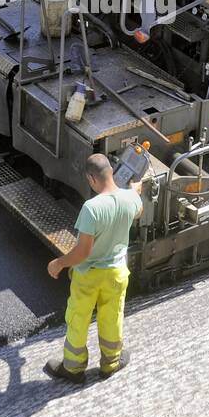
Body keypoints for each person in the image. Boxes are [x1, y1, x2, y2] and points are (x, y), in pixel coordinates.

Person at [44, 153, 144, 384]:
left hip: (88, 276)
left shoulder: (91, 208)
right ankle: (111, 363)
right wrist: (134, 191)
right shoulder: (130, 198)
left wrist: (58, 263)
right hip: (117, 273)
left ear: (91, 178)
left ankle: (73, 368)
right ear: (111, 172)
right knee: (112, 317)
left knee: (78, 318)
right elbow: (137, 210)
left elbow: (82, 252)